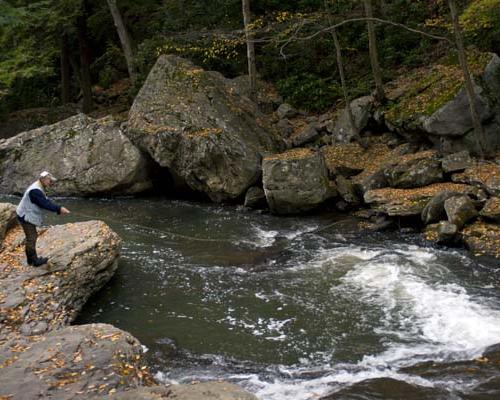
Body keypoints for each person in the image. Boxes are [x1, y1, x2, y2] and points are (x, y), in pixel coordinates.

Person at [16, 171, 70, 267]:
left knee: (32, 237)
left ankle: (30, 260)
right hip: (25, 216)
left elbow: (44, 200)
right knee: (32, 237)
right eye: (49, 180)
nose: (51, 182)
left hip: (24, 213)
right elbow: (45, 204)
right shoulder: (35, 190)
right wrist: (59, 209)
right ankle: (34, 261)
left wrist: (58, 209)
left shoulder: (39, 186)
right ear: (43, 179)